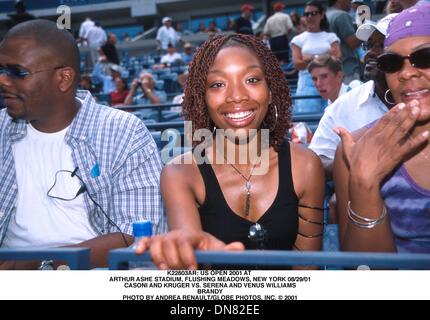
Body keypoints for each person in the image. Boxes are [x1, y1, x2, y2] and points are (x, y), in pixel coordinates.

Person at [135, 33, 325, 270]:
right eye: (218, 84)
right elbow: (193, 274)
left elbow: (307, 270)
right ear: (201, 98)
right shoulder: (180, 173)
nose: (236, 96)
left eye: (252, 80)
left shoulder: (306, 165)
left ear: (271, 90)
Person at [0, 20, 166, 269]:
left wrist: (35, 264)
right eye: (1, 70)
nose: (3, 81)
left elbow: (139, 235)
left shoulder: (123, 131)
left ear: (64, 78)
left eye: (17, 72)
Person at [333, 4, 430, 254]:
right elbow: (364, 274)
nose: (407, 73)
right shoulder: (355, 150)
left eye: (425, 58)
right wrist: (364, 185)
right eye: (393, 63)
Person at [309, 14, 396, 179]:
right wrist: (354, 164)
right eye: (369, 45)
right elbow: (317, 160)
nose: (371, 52)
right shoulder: (344, 106)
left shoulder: (422, 99)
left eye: (382, 45)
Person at [290, 0, 341, 113]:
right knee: (308, 122)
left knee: (333, 121)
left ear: (322, 15)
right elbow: (297, 64)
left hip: (330, 83)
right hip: (307, 86)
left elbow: (337, 58)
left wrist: (310, 58)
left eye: (313, 13)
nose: (310, 17)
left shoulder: (331, 36)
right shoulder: (298, 39)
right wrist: (326, 55)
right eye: (307, 14)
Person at [326, 0, 362, 84]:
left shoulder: (325, 15)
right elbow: (353, 42)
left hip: (331, 70)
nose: (350, 2)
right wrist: (366, 30)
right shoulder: (341, 15)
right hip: (348, 70)